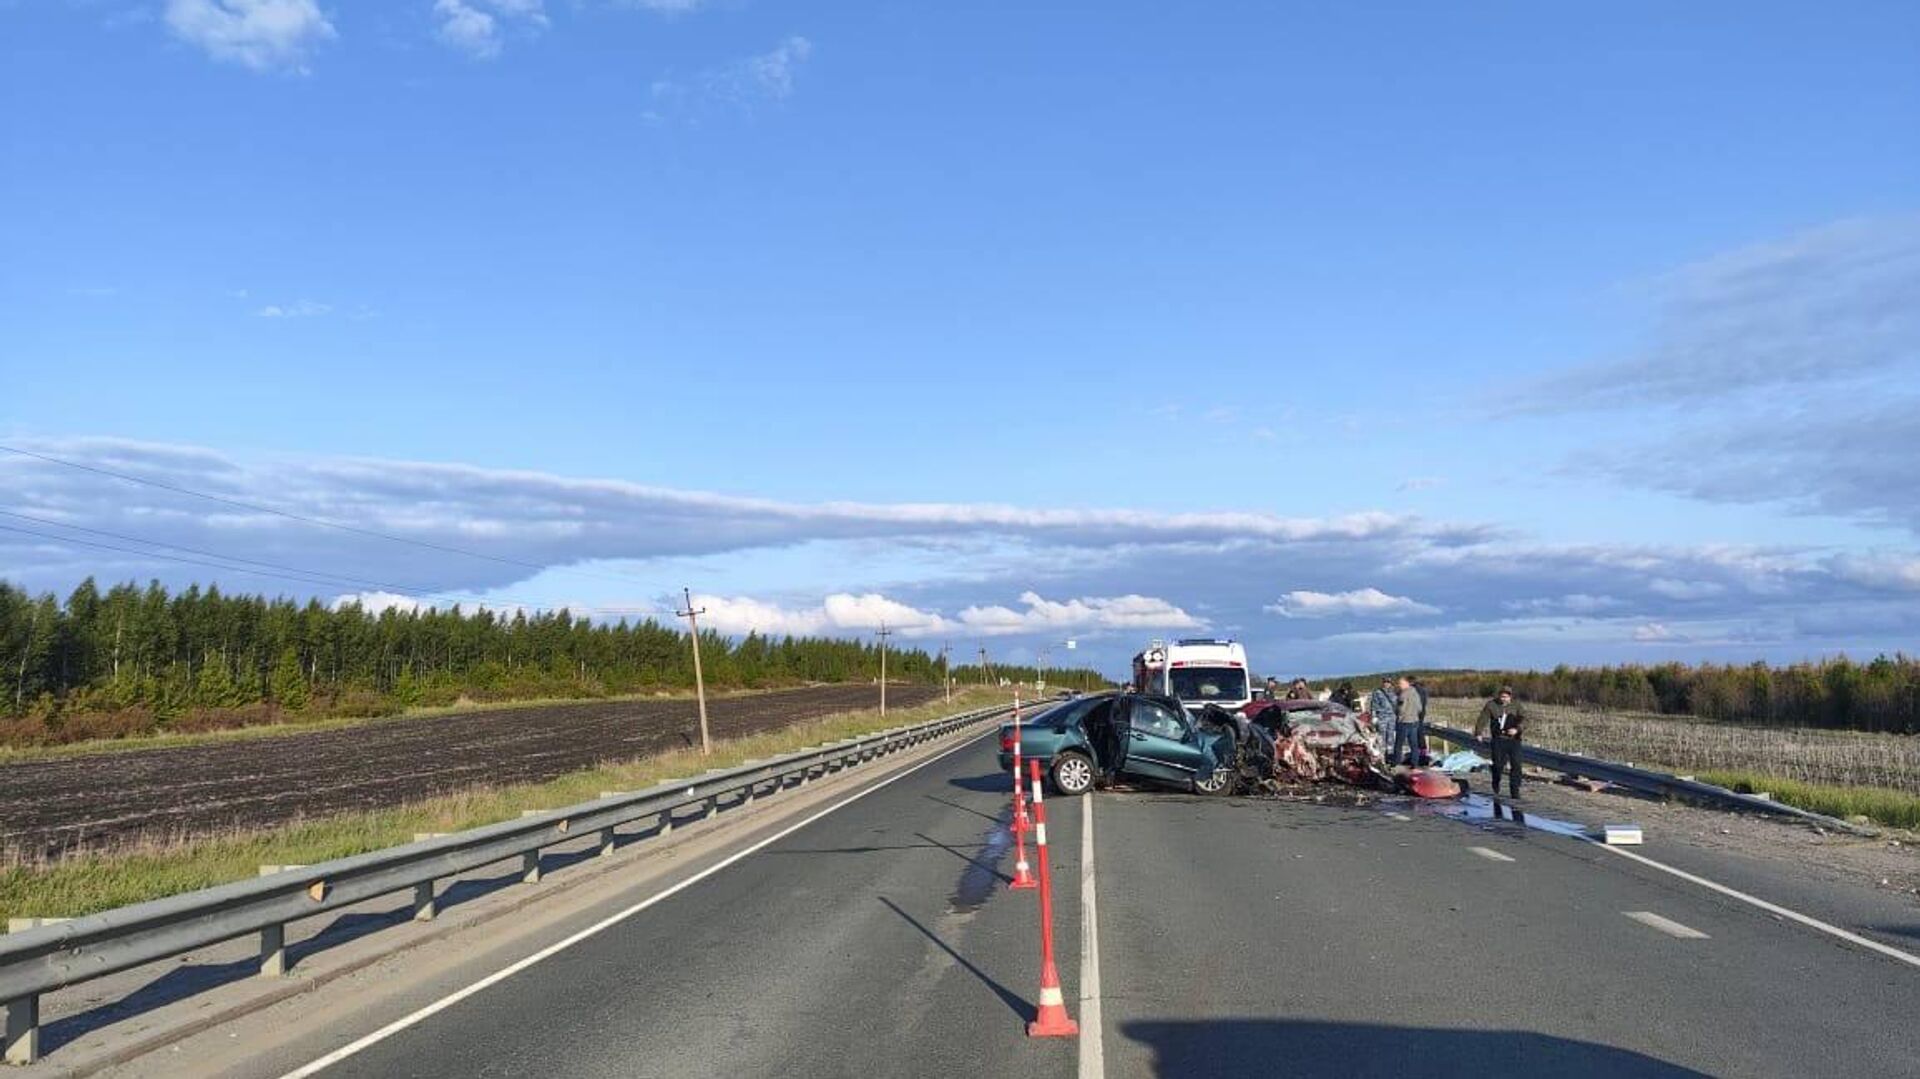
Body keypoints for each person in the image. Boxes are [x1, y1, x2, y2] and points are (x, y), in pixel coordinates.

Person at [1472, 685, 1529, 799]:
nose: (1504, 699)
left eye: (1506, 697)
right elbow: (1483, 718)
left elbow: (1525, 719)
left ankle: (1514, 790)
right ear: (1499, 696)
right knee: (1498, 766)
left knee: (1516, 765)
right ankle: (1496, 781)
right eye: (1502, 697)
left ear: (1510, 697)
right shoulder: (1491, 705)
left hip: (1514, 740)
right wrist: (1478, 732)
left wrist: (1517, 729)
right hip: (1498, 740)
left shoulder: (1517, 706)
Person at [1393, 675, 1426, 767]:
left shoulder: (1403, 694)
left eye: (1400, 683)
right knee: (1414, 745)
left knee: (1398, 745)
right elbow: (1420, 708)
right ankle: (1415, 764)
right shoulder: (1415, 693)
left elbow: (1400, 710)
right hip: (1414, 721)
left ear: (1406, 683)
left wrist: (1397, 712)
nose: (1399, 685)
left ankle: (1396, 764)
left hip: (1404, 722)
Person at [1368, 677, 1398, 758]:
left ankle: (1390, 754)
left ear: (1391, 683)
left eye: (1388, 682)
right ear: (1383, 683)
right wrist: (1374, 717)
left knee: (1391, 736)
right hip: (1382, 717)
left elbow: (1398, 705)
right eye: (1385, 682)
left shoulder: (1394, 692)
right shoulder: (1378, 692)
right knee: (1381, 736)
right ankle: (1381, 754)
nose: (1386, 684)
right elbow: (1374, 705)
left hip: (1392, 717)